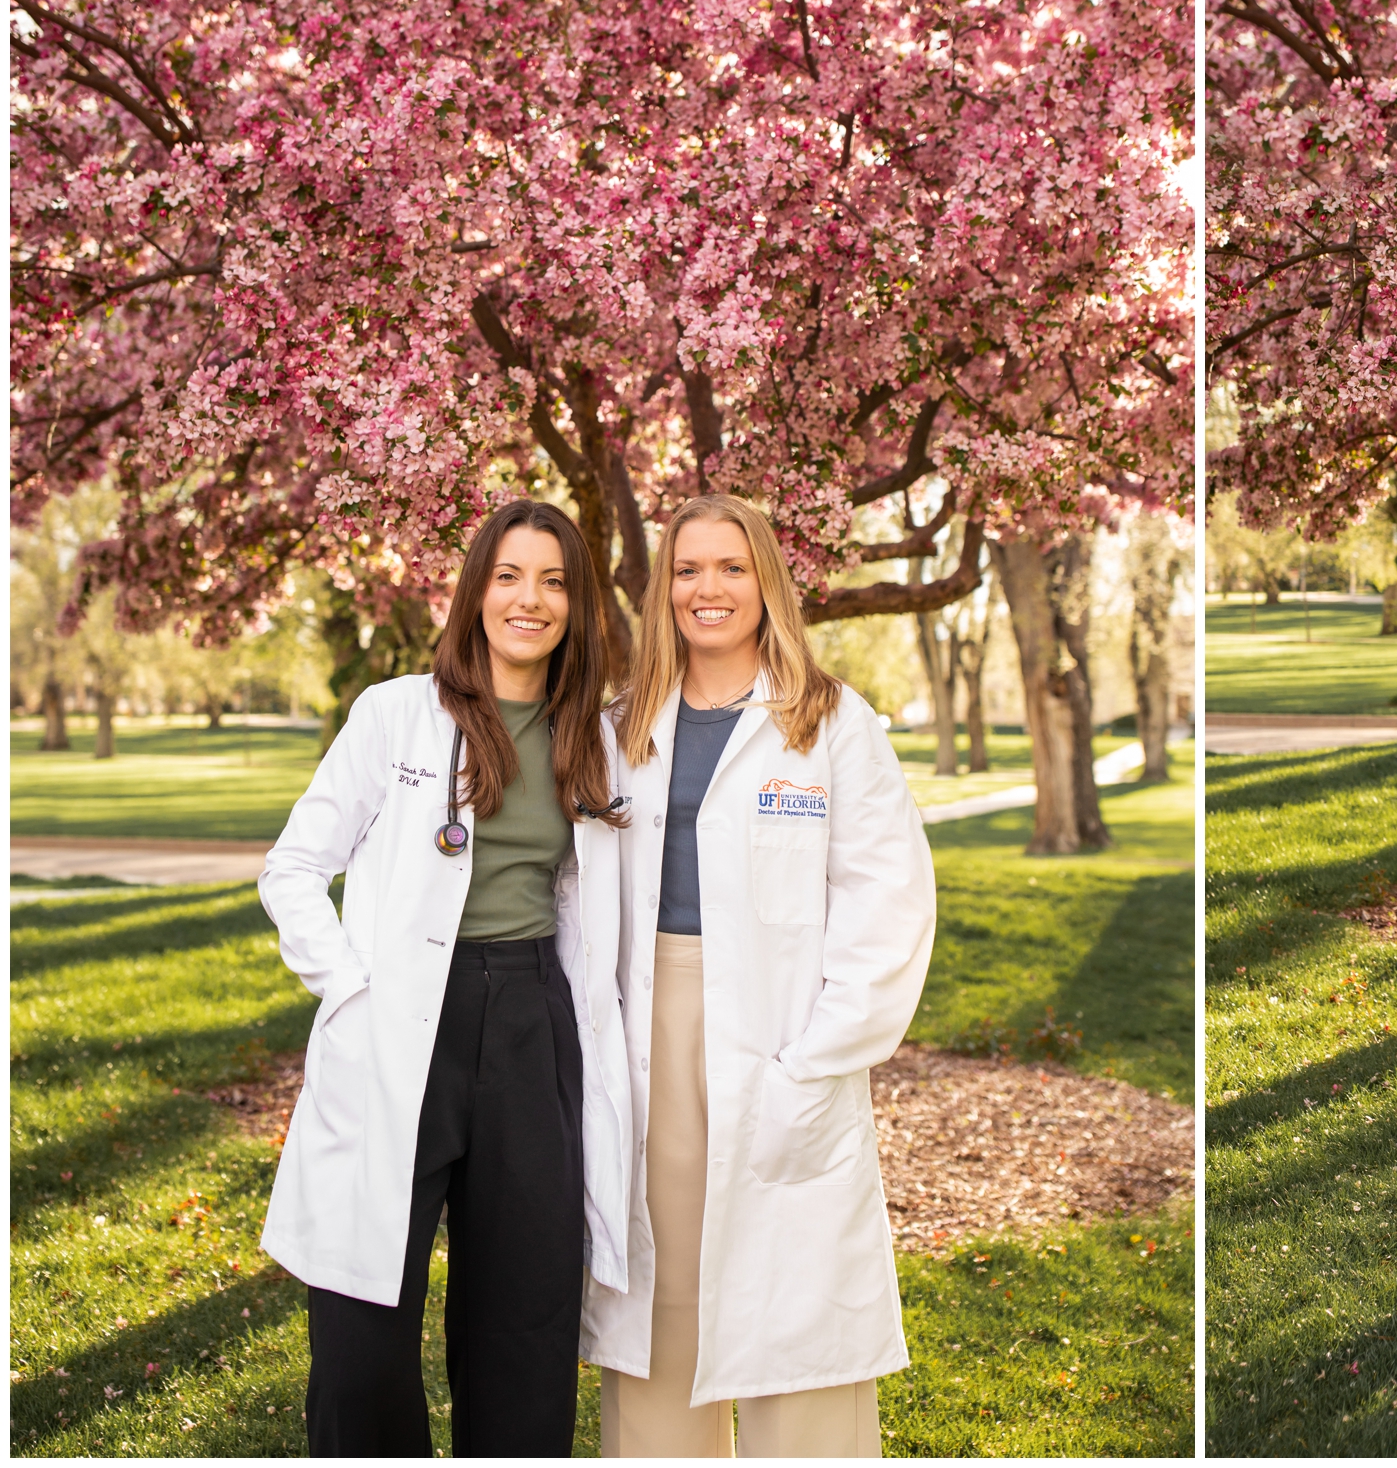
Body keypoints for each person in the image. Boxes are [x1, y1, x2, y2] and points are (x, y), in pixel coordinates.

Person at [259, 500, 633, 1456]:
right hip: (398, 1023)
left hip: (529, 1019)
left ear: (575, 604)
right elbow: (293, 867)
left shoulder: (594, 732)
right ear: (476, 592)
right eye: (509, 576)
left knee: (523, 1302)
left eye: (553, 581)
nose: (530, 599)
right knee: (361, 1315)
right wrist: (348, 990)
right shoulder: (396, 714)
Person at [584, 492, 936, 1458]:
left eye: (731, 568)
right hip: (652, 1023)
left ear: (766, 582)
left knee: (799, 1303)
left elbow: (889, 909)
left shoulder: (831, 724)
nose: (709, 589)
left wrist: (819, 1060)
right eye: (688, 569)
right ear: (664, 591)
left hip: (788, 1033)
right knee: (663, 1298)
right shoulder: (621, 727)